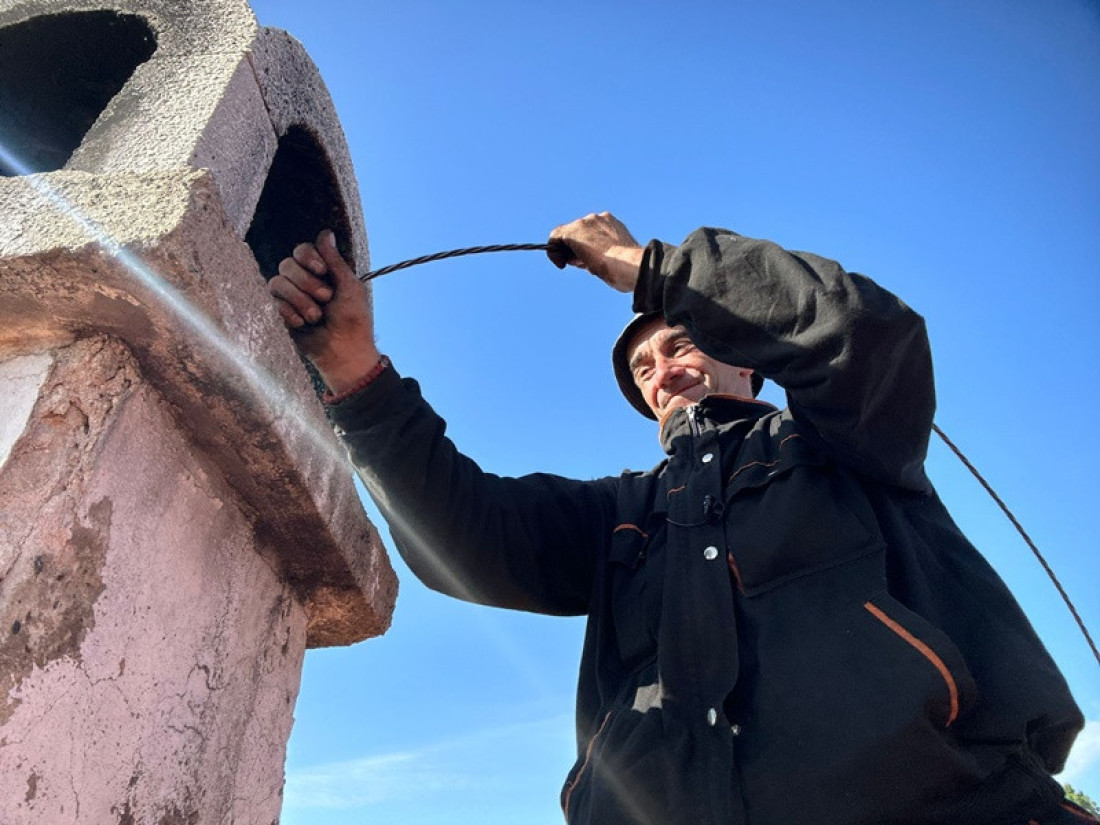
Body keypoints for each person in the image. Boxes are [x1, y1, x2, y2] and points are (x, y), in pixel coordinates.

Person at [269, 213, 1088, 825]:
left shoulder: (845, 444)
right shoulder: (617, 513)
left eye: (682, 342)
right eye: (643, 366)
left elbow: (866, 335)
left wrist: (651, 269)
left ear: (748, 362)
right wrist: (354, 373)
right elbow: (468, 534)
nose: (662, 368)